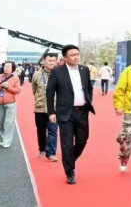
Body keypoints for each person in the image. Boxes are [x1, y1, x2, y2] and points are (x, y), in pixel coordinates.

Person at [46, 45, 96, 185]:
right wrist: (51, 112)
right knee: (67, 144)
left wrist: (89, 100)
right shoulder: (57, 71)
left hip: (82, 112)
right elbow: (50, 92)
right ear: (65, 57)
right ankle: (70, 172)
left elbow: (89, 87)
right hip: (65, 113)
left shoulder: (84, 69)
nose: (76, 57)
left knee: (82, 141)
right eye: (72, 55)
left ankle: (69, 160)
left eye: (77, 54)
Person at [31, 53, 59, 161]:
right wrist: (39, 99)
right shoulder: (37, 75)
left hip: (54, 108)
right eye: (49, 60)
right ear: (44, 61)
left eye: (53, 61)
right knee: (41, 130)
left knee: (53, 130)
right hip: (40, 107)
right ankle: (42, 148)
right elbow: (34, 89)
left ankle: (51, 153)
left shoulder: (60, 75)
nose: (51, 63)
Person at [0, 61, 21, 148]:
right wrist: (1, 86)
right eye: (5, 66)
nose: (6, 68)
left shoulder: (15, 78)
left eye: (8, 67)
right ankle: (2, 138)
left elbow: (18, 90)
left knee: (9, 123)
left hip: (11, 103)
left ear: (12, 69)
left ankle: (7, 141)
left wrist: (8, 87)